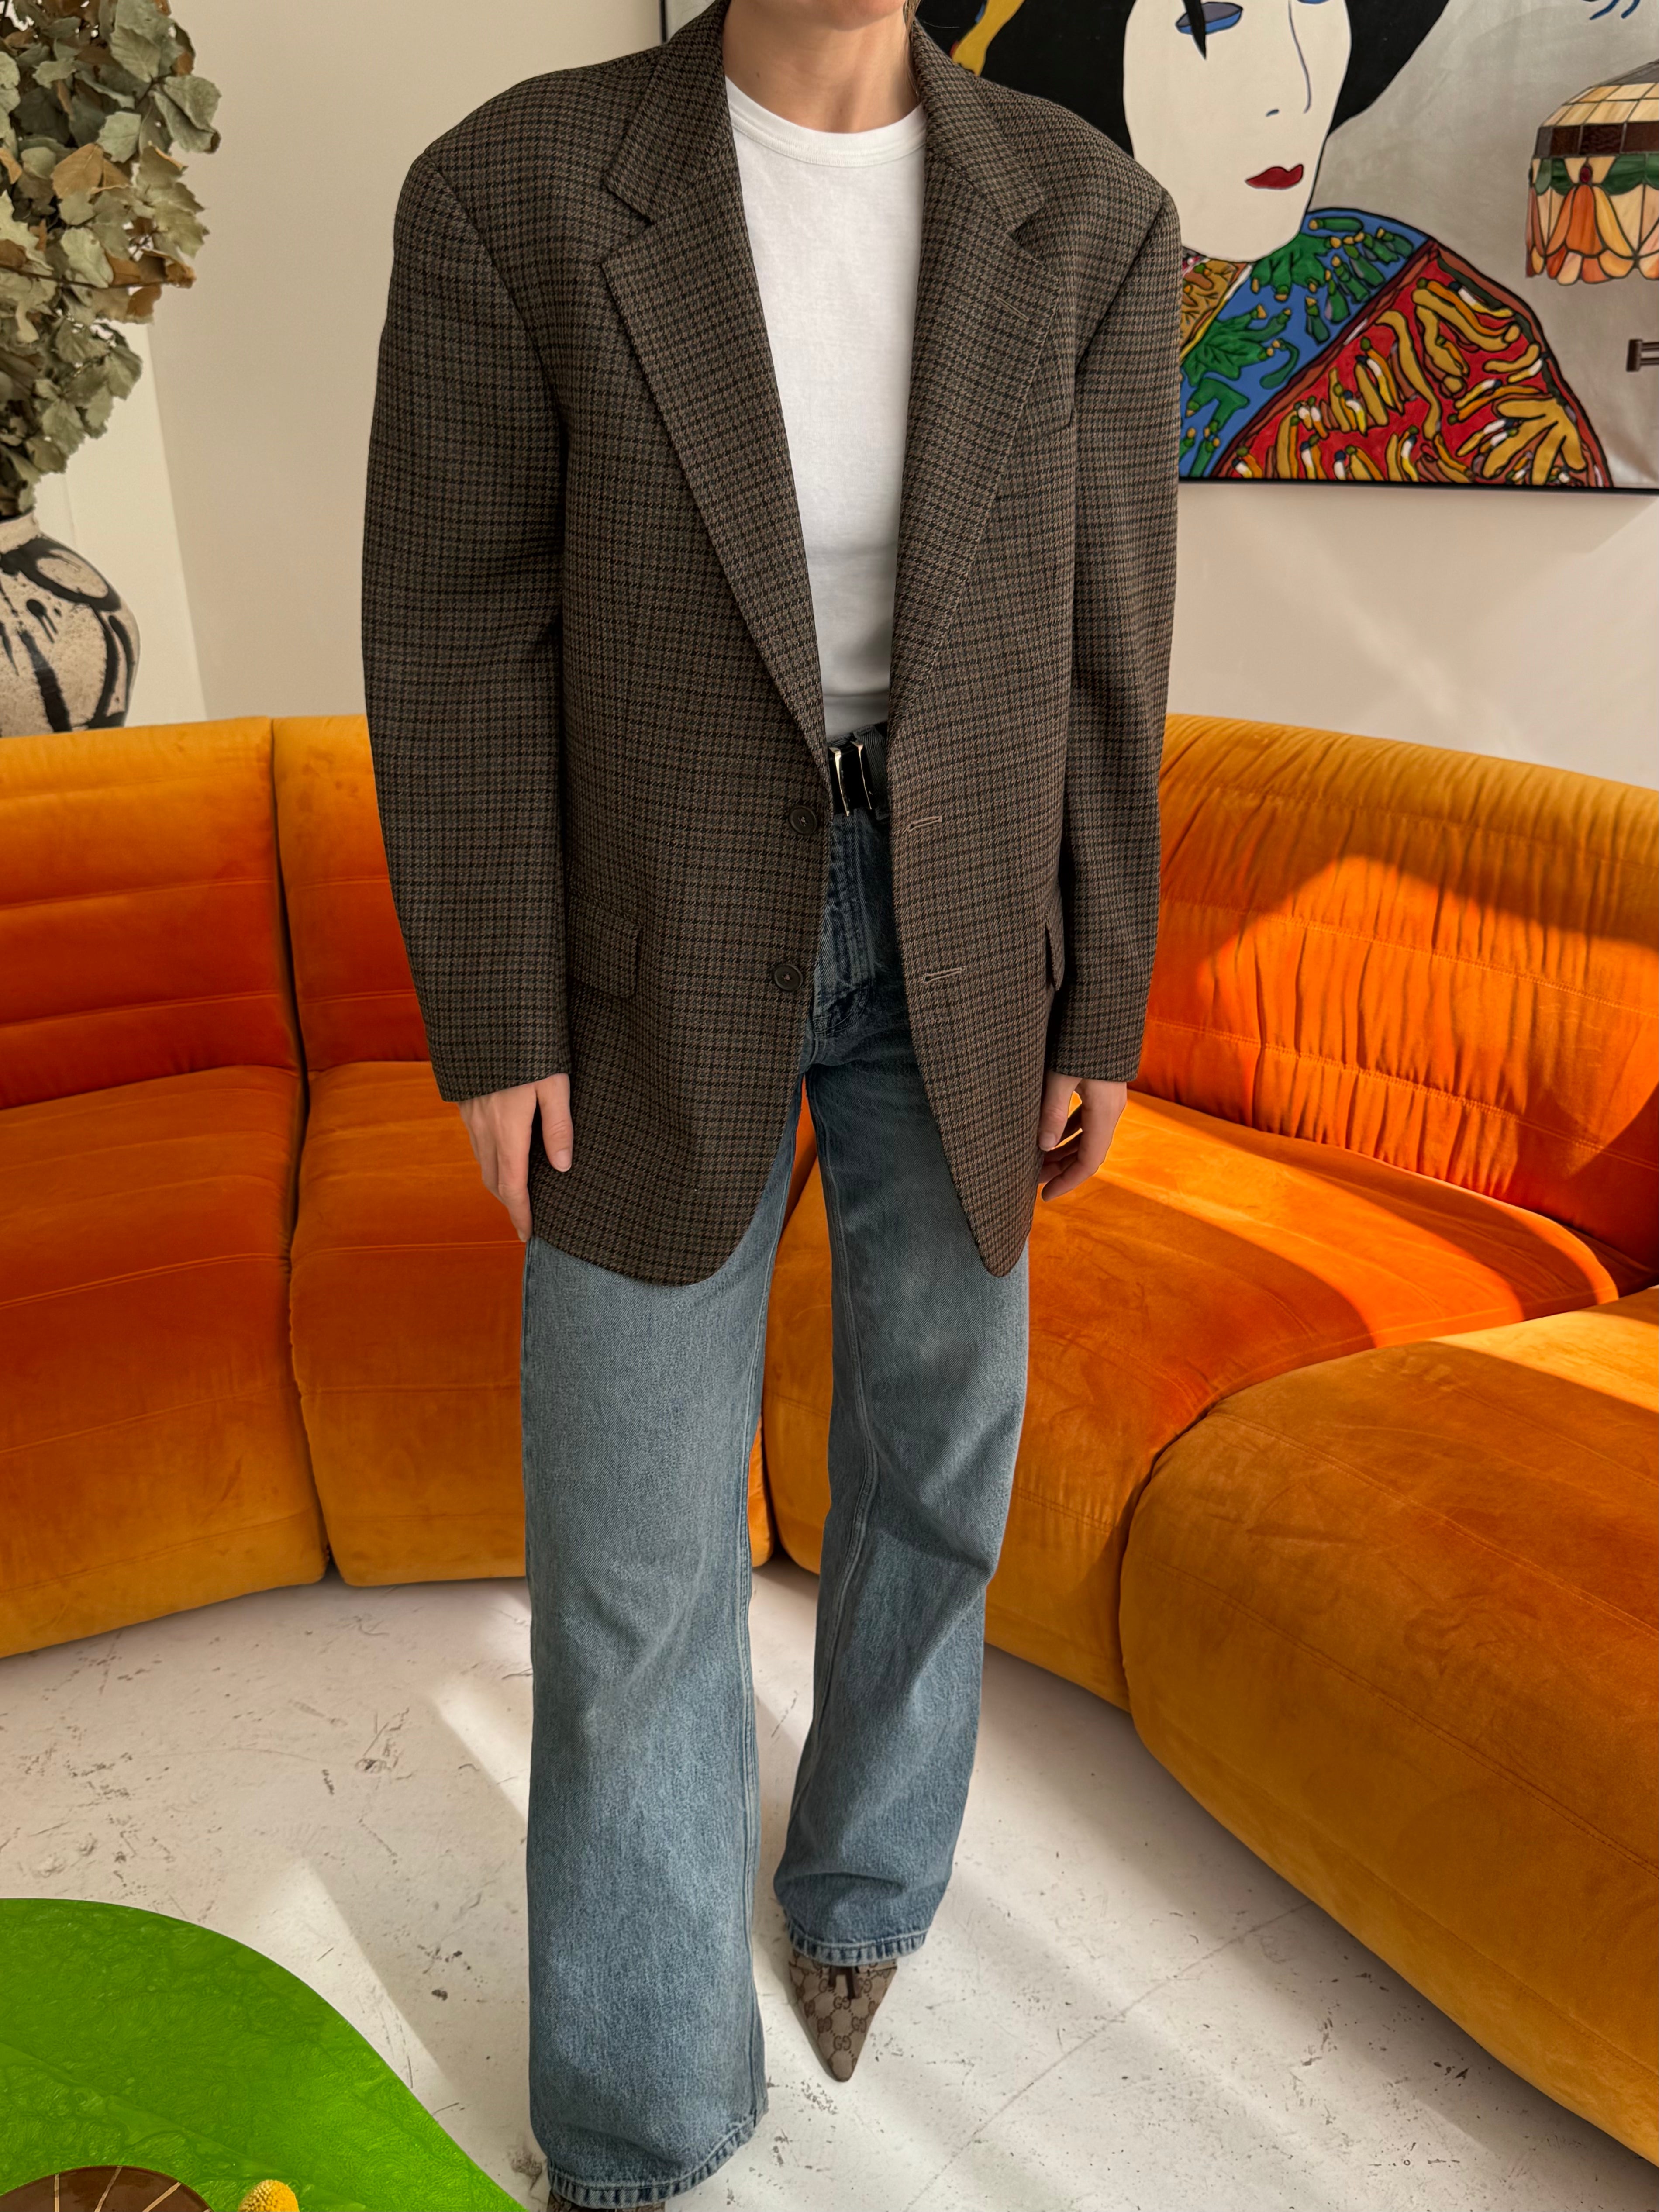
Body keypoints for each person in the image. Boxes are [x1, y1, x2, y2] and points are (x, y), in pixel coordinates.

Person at [361, 0, 1179, 2202]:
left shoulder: (1088, 217)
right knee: (629, 1548)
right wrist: (494, 1006)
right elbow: (453, 628)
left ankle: (868, 1885)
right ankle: (638, 2124)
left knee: (938, 1457)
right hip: (647, 939)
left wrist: (1103, 988)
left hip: (966, 941)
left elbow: (1108, 643)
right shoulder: (513, 193)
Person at [931, 0, 1608, 485]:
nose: (1292, 90)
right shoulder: (972, 289)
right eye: (1213, 21)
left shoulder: (1440, 333)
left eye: (1314, 4)